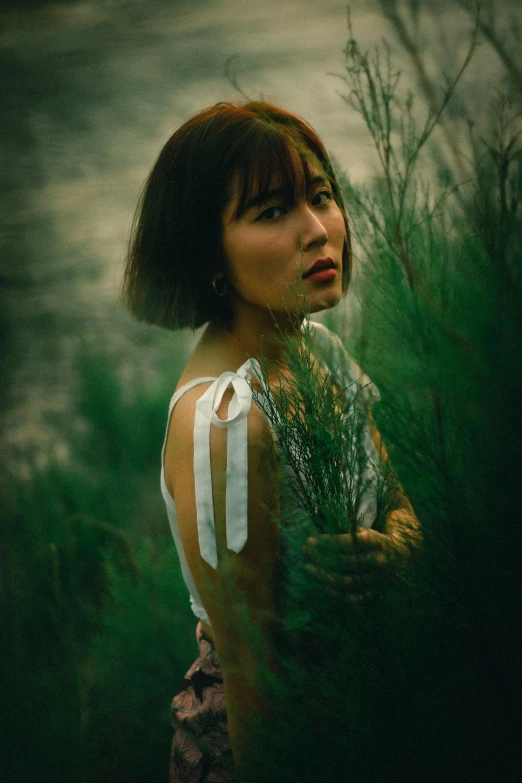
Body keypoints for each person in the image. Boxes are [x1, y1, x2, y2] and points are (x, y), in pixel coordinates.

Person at [122, 100, 421, 782]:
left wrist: (395, 549)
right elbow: (255, 685)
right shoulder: (226, 423)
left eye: (320, 196)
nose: (319, 230)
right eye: (271, 211)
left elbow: (404, 510)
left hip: (371, 705)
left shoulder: (319, 352)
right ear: (210, 257)